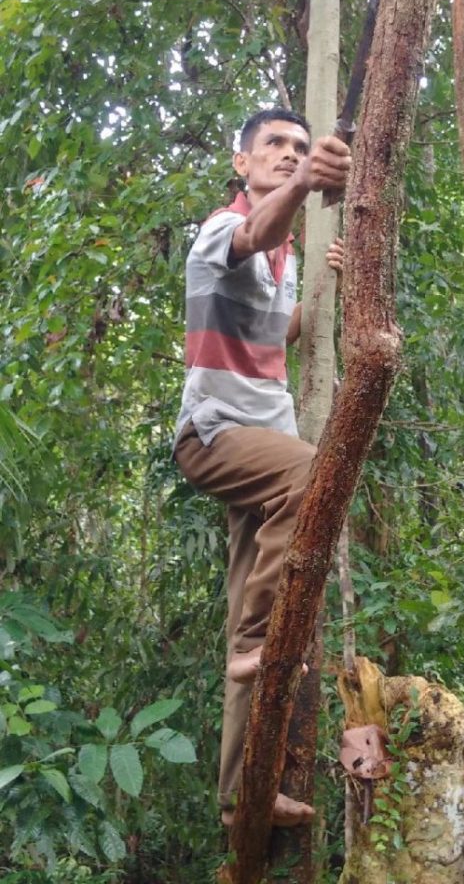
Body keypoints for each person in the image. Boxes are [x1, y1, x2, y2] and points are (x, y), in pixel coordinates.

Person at [173, 107, 351, 828]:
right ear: (241, 162)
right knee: (314, 475)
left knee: (247, 617)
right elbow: (256, 231)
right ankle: (257, 641)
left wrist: (321, 293)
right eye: (274, 146)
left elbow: (275, 332)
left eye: (300, 148)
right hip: (216, 436)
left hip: (262, 449)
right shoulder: (223, 229)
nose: (289, 154)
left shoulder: (285, 259)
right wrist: (308, 184)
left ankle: (238, 798)